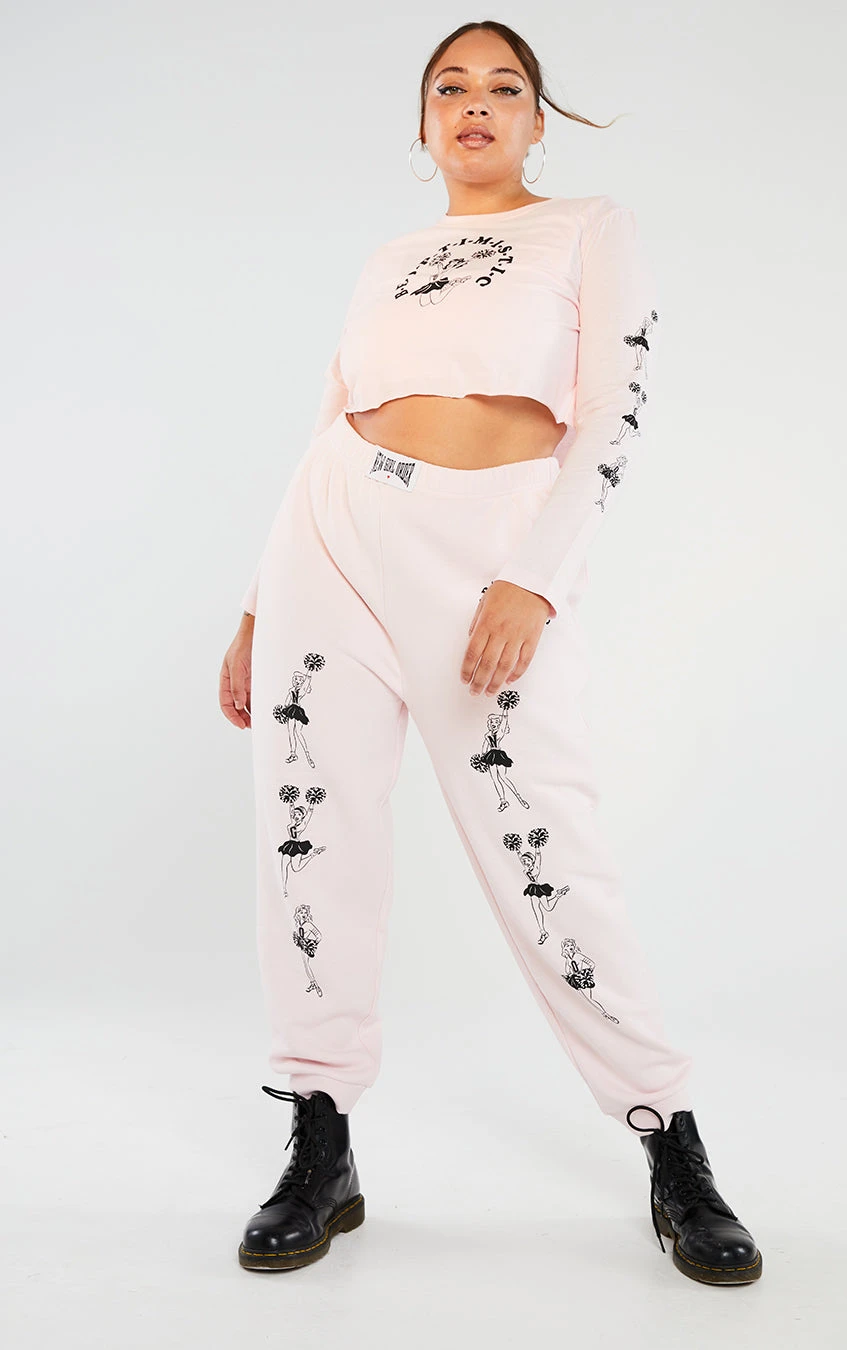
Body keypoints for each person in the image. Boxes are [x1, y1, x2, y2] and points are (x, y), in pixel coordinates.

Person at [218, 20, 762, 1287]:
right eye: (450, 88)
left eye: (503, 87)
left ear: (535, 120)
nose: (476, 104)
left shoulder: (589, 228)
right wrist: (254, 605)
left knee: (543, 838)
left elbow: (614, 409)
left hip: (489, 551)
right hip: (329, 538)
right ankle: (321, 1137)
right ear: (423, 125)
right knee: (312, 828)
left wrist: (534, 579)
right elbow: (328, 416)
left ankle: (669, 1136)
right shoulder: (387, 258)